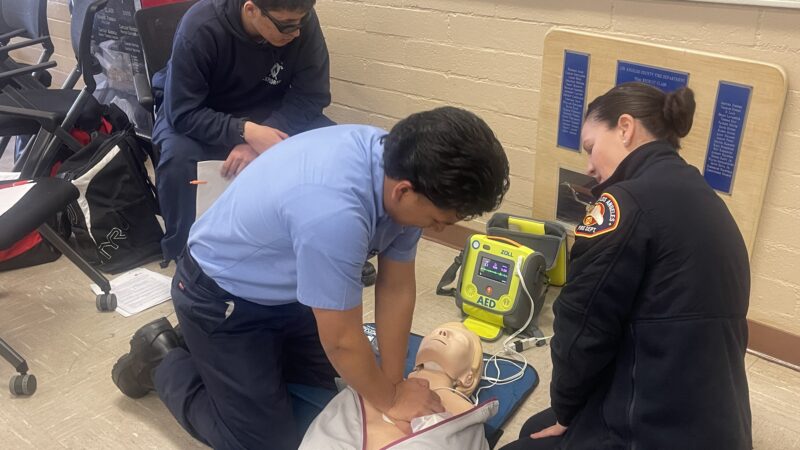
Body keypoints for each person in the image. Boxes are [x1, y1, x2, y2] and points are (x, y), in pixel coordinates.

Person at [111, 107, 510, 449]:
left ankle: (210, 350)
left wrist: (393, 383)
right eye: (438, 221)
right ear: (404, 192)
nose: (438, 230)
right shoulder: (335, 213)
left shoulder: (404, 167)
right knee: (263, 442)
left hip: (289, 290)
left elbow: (396, 286)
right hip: (218, 296)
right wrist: (390, 400)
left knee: (340, 385)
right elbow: (340, 340)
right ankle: (162, 356)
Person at [501, 82, 751, 450]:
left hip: (654, 430)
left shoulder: (624, 203)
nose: (589, 166)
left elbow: (582, 326)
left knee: (526, 439)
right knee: (538, 424)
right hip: (717, 419)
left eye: (590, 148)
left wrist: (566, 410)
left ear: (625, 128)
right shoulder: (706, 198)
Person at [152, 0, 338, 267]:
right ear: (251, 10)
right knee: (178, 159)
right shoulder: (200, 28)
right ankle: (187, 257)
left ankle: (329, 245)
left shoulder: (297, 19)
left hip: (267, 111)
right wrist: (243, 131)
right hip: (200, 111)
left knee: (333, 148)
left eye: (301, 22)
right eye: (286, 26)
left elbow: (312, 96)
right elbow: (183, 112)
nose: (296, 32)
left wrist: (258, 140)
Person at [300, 322, 494, 450]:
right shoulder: (369, 382)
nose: (442, 332)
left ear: (468, 377)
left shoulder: (467, 421)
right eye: (435, 331)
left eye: (458, 338)